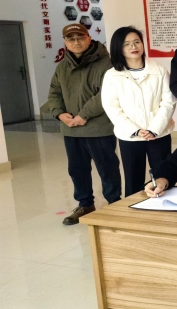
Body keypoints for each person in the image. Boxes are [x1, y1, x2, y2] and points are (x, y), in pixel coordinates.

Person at [41, 23, 122, 225]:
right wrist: (60, 114)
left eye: (80, 38)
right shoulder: (62, 67)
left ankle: (114, 204)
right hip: (71, 129)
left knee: (107, 168)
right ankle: (85, 204)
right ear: (65, 43)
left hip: (99, 128)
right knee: (77, 169)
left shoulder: (106, 64)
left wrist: (84, 115)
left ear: (88, 38)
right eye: (71, 39)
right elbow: (54, 93)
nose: (76, 42)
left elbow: (106, 94)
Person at [101, 26, 177, 197]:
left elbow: (169, 102)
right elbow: (111, 106)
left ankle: (166, 208)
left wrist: (154, 129)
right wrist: (134, 130)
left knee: (164, 176)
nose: (133, 47)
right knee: (133, 179)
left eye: (137, 42)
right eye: (126, 44)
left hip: (159, 134)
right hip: (130, 136)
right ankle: (133, 208)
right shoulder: (112, 75)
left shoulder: (159, 70)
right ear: (118, 48)